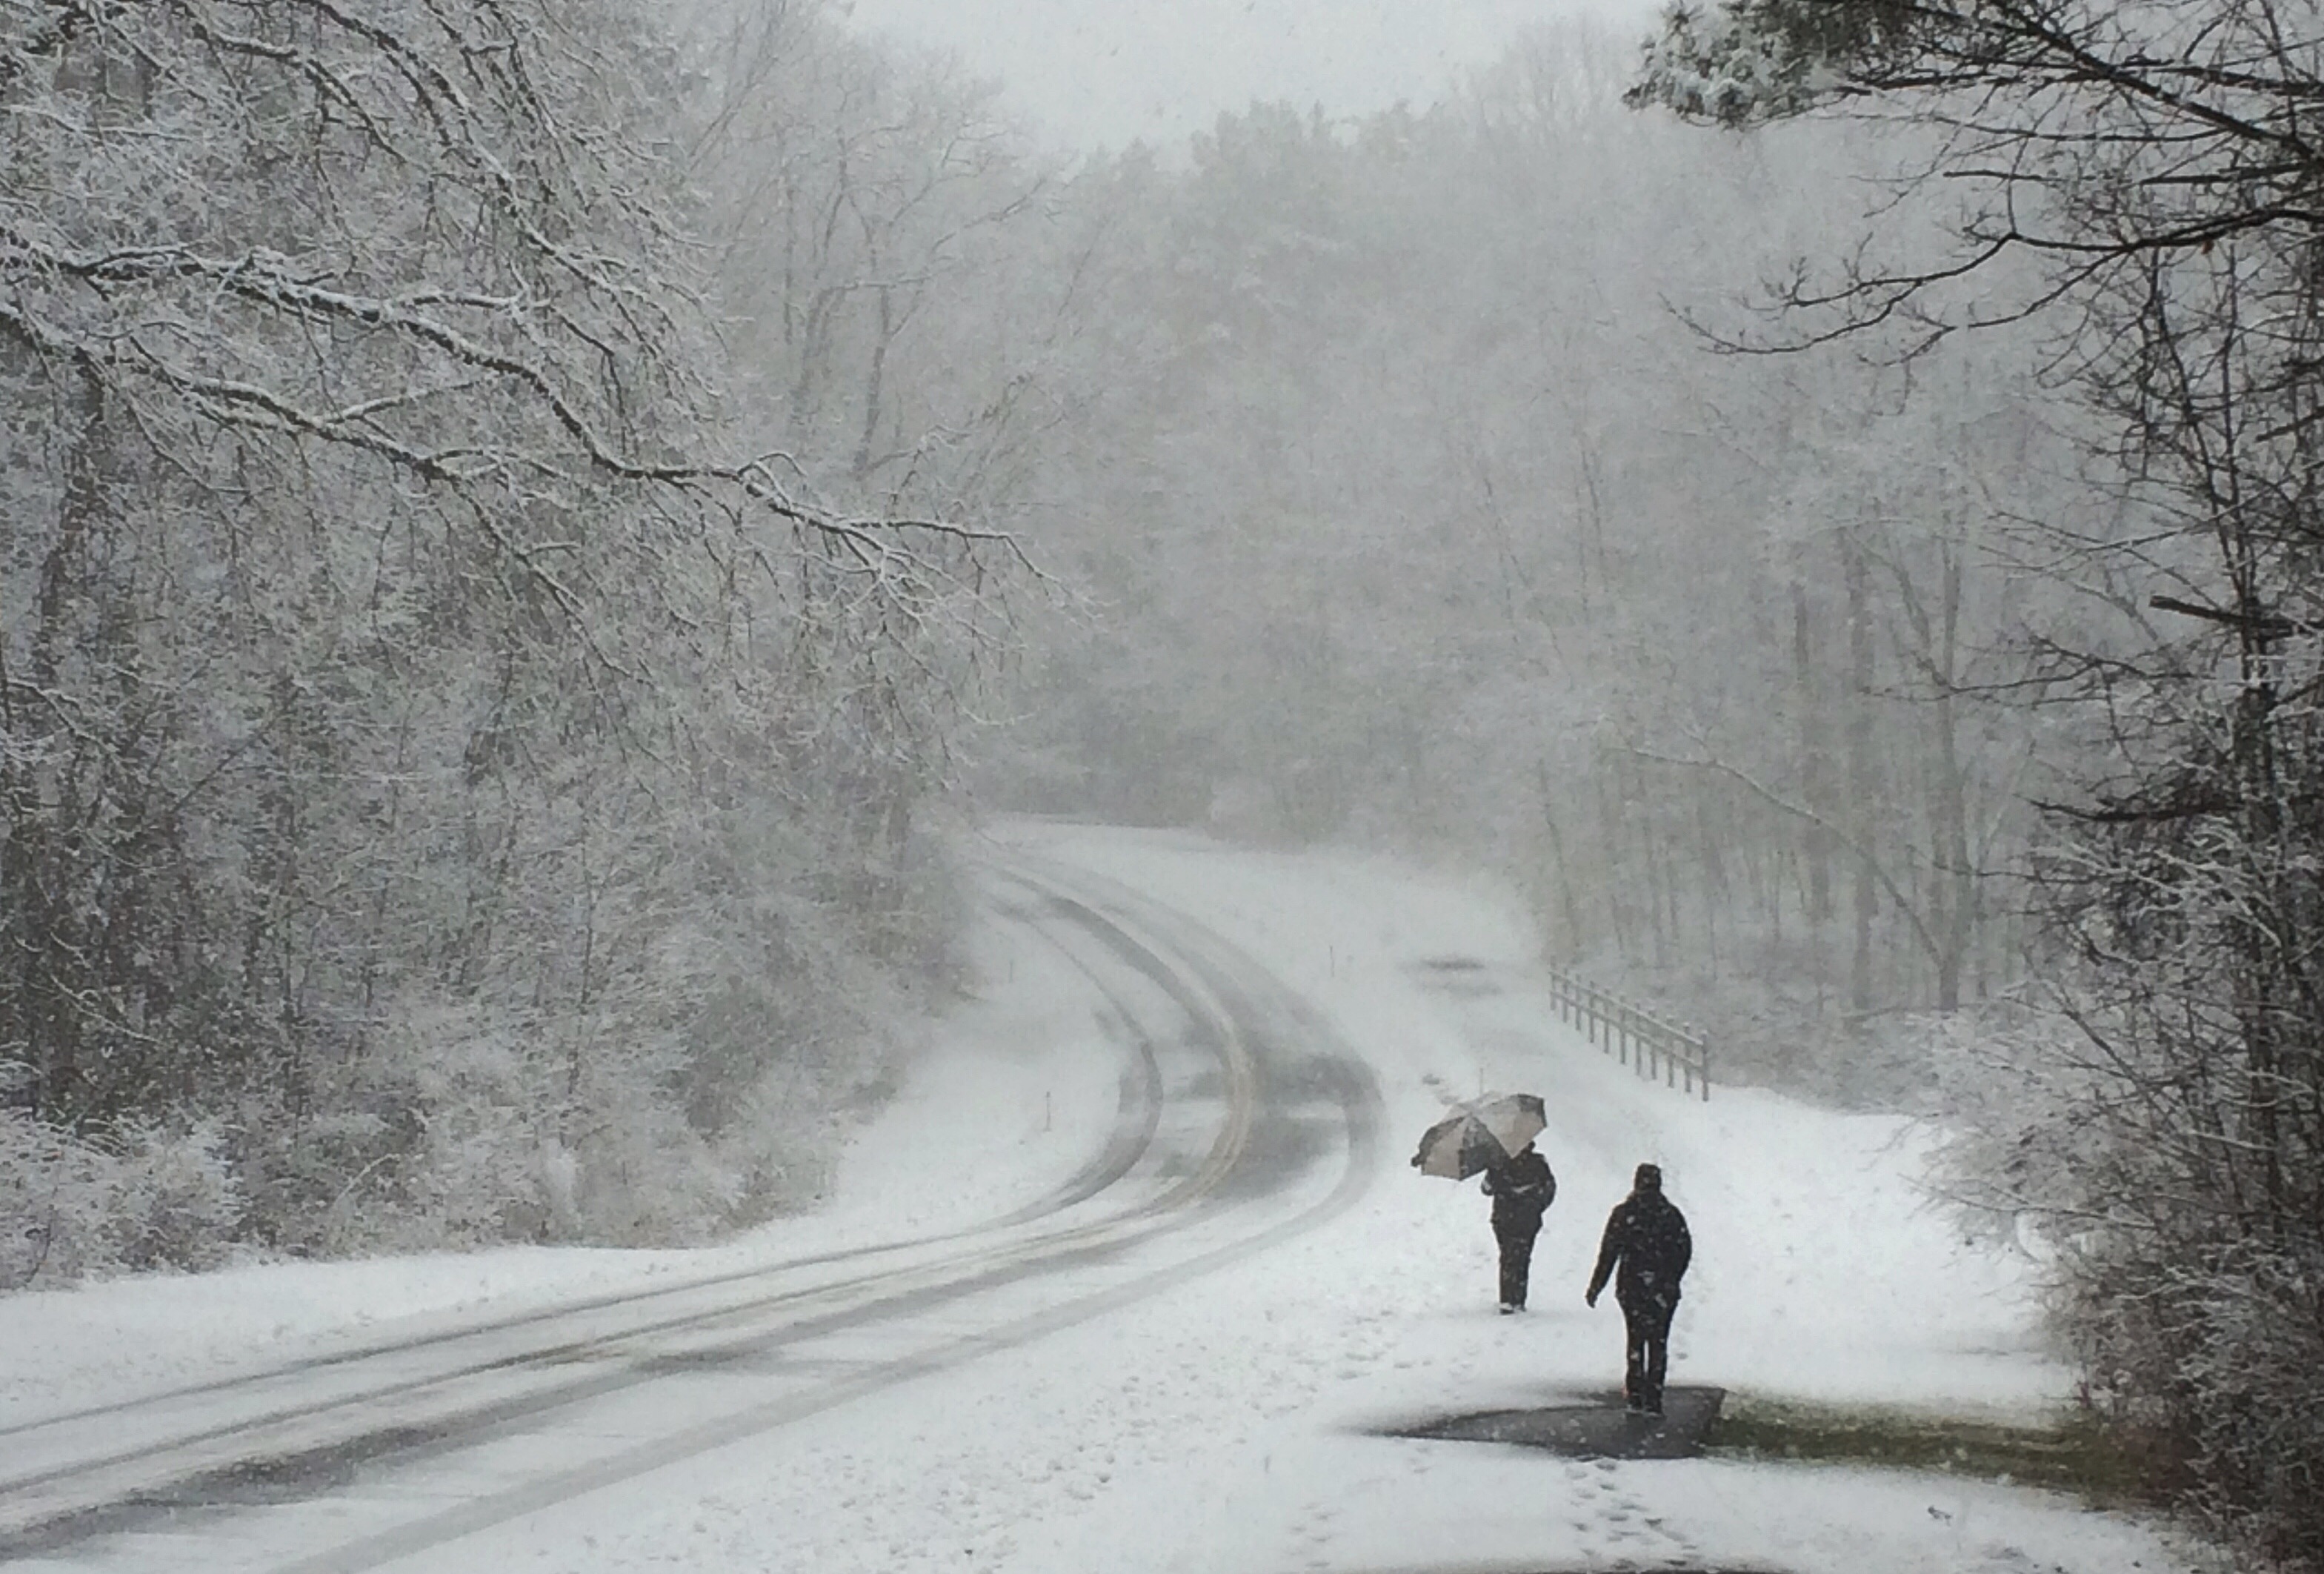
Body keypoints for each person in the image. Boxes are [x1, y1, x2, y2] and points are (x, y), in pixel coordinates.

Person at [1585, 1162, 1692, 1414]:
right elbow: (1684, 1250)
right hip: (1663, 1288)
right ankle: (1654, 1395)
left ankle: (1635, 1392)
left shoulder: (1623, 1213)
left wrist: (1596, 1285)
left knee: (1635, 1338)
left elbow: (1608, 1252)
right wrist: (1671, 1279)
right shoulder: (1671, 1214)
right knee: (1659, 1341)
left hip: (1631, 1285)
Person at [1480, 1140, 1555, 1312]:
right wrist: (1537, 1205)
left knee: (1507, 1256)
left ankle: (1507, 1298)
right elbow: (1549, 1189)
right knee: (1523, 1256)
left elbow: (1486, 1189)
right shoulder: (1538, 1163)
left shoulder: (1499, 1163)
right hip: (1528, 1219)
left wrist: (1492, 1172)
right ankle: (1518, 1298)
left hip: (1503, 1217)